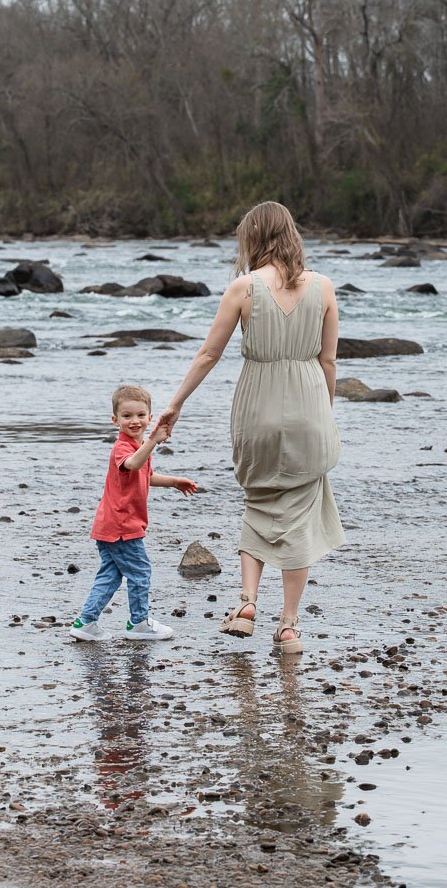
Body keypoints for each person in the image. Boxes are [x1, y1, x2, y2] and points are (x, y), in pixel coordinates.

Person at [154, 201, 342, 655]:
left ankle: (246, 604)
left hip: (256, 406)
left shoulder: (243, 288)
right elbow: (329, 360)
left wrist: (174, 405)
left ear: (254, 238)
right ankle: (290, 626)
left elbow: (208, 355)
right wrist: (324, 410)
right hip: (309, 406)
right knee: (300, 512)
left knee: (257, 499)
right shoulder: (324, 287)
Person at [70, 384, 199, 642]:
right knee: (140, 571)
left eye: (141, 415)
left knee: (111, 574)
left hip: (110, 525)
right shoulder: (123, 448)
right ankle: (139, 622)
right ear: (115, 420)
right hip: (121, 525)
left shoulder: (138, 446)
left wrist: (173, 481)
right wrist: (152, 441)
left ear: (150, 417)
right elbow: (132, 464)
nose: (135, 421)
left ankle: (85, 622)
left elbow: (145, 475)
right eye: (127, 416)